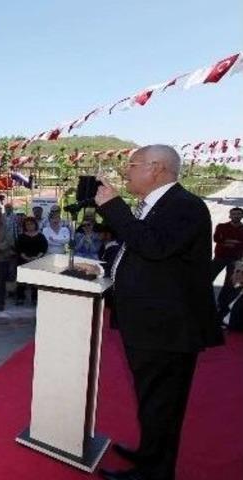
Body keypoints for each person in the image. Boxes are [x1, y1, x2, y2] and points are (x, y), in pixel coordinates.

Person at [94, 145, 224, 480]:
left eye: (132, 165)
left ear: (156, 168)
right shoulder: (157, 206)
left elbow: (153, 246)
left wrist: (113, 207)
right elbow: (141, 250)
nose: (127, 172)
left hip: (168, 328)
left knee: (163, 403)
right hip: (151, 324)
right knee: (153, 400)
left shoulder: (184, 206)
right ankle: (149, 455)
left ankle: (155, 472)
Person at [210, 207, 243, 299]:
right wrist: (235, 242)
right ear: (230, 215)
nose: (236, 216)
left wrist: (226, 241)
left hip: (235, 259)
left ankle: (222, 304)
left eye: (239, 214)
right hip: (220, 257)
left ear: (242, 216)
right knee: (207, 277)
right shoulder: (221, 226)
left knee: (229, 284)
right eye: (234, 214)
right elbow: (216, 239)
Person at [15, 217, 48, 306]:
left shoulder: (41, 236)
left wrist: (37, 257)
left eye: (31, 224)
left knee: (35, 281)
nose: (29, 226)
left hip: (36, 261)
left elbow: (44, 248)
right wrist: (25, 257)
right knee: (21, 281)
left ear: (35, 225)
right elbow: (18, 248)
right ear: (25, 226)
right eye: (27, 224)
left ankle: (34, 298)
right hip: (23, 261)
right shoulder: (21, 236)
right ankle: (20, 297)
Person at [216, 260, 243, 331]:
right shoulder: (236, 290)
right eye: (234, 272)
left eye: (238, 271)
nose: (235, 274)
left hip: (232, 330)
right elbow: (222, 305)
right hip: (221, 325)